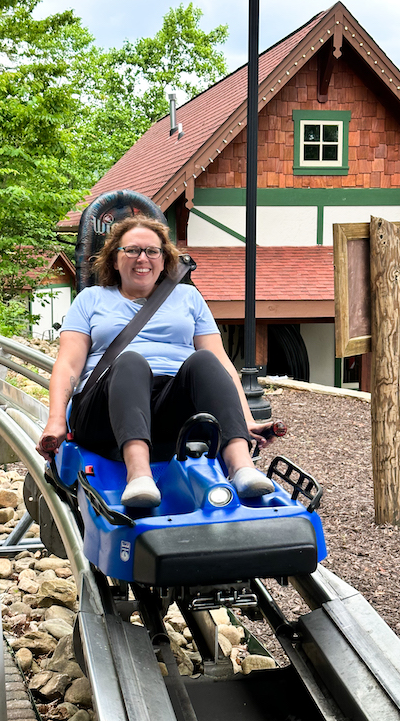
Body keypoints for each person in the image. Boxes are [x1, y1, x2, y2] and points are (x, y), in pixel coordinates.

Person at [36, 215, 276, 508]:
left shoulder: (188, 297)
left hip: (171, 403)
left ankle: (242, 467)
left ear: (164, 261)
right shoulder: (90, 299)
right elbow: (68, 365)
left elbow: (221, 364)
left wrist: (245, 419)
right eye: (132, 250)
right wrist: (55, 421)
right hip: (106, 406)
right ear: (114, 259)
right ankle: (139, 474)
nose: (143, 258)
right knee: (131, 362)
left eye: (152, 251)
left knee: (203, 360)